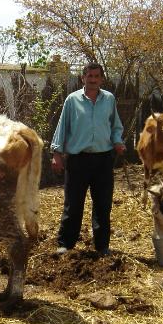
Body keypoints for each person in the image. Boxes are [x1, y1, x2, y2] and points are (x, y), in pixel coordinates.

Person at [50, 62, 126, 256]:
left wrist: (118, 141)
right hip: (78, 160)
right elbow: (62, 127)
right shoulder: (72, 100)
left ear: (102, 79)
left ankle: (102, 246)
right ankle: (66, 244)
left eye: (96, 76)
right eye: (89, 76)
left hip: (103, 160)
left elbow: (116, 126)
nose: (93, 79)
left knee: (103, 204)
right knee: (73, 204)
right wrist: (56, 153)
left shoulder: (109, 99)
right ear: (83, 78)